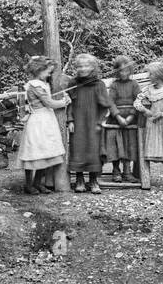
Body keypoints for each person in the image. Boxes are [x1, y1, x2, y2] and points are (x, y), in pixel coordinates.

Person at [17, 55, 69, 194]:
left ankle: (37, 183)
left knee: (45, 151)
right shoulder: (34, 85)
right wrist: (64, 102)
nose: (49, 74)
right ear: (38, 70)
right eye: (48, 71)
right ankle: (28, 185)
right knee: (34, 151)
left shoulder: (44, 84)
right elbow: (49, 103)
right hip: (38, 121)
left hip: (47, 120)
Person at [134, 61, 163, 189]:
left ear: (157, 75)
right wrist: (145, 110)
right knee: (157, 148)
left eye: (150, 73)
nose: (148, 76)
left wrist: (162, 114)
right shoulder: (148, 90)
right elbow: (137, 101)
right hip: (153, 124)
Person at [67, 53, 110, 194]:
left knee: (93, 150)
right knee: (78, 148)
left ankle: (93, 180)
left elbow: (105, 105)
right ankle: (79, 180)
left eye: (86, 66)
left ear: (93, 67)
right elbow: (70, 104)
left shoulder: (99, 84)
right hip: (78, 121)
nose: (83, 69)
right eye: (80, 66)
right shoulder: (73, 83)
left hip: (94, 122)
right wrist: (70, 120)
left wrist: (101, 121)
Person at [104, 56, 140, 182]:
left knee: (129, 145)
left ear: (130, 70)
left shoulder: (134, 84)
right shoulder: (114, 85)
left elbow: (138, 101)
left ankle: (127, 171)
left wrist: (131, 116)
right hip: (115, 120)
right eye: (120, 71)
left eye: (126, 70)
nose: (123, 73)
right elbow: (110, 102)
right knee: (115, 144)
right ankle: (116, 170)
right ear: (116, 71)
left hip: (131, 120)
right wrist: (118, 116)